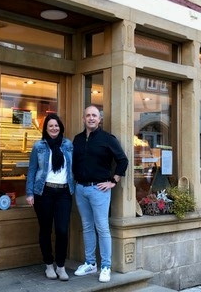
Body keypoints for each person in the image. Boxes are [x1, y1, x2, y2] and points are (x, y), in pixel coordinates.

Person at [72, 105, 128, 283]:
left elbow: (123, 160)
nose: (91, 118)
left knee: (102, 228)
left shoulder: (107, 138)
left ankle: (105, 266)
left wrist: (113, 181)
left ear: (99, 119)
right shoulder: (77, 139)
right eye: (88, 115)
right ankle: (90, 263)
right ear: (83, 118)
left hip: (99, 190)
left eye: (94, 115)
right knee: (87, 227)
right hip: (81, 189)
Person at [26, 114, 74, 281]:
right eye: (51, 126)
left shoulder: (67, 145)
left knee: (62, 230)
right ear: (45, 129)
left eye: (57, 125)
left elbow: (75, 165)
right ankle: (48, 265)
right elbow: (32, 169)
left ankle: (60, 266)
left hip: (64, 193)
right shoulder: (39, 146)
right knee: (45, 229)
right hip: (44, 192)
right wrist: (30, 193)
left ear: (60, 127)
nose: (54, 128)